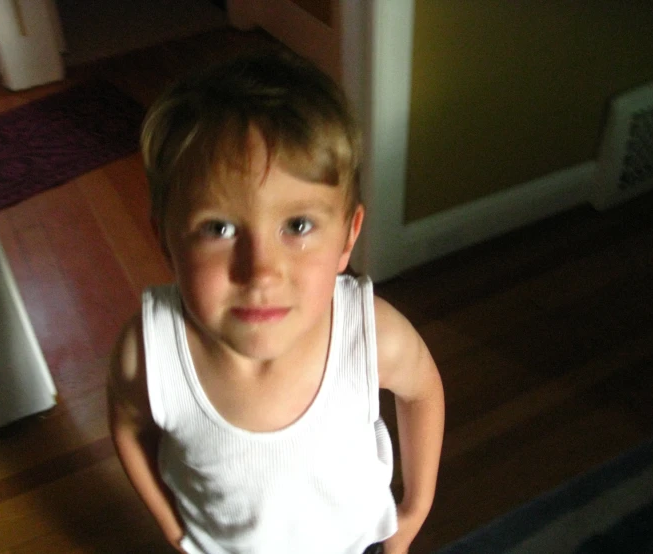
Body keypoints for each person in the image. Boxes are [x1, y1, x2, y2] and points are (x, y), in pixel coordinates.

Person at [107, 49, 445, 554]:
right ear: (167, 242)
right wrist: (172, 528)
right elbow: (128, 426)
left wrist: (414, 509)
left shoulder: (371, 333)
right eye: (218, 228)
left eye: (298, 225)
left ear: (347, 238)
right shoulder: (150, 351)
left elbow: (421, 393)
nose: (261, 271)